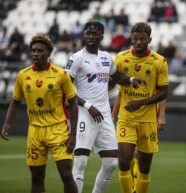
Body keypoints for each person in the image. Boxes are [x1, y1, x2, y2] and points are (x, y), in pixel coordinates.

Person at [65, 22, 147, 193]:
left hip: (103, 116)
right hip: (84, 114)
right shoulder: (76, 58)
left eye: (95, 34)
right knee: (80, 162)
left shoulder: (107, 58)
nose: (91, 37)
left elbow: (118, 78)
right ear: (84, 36)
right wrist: (88, 106)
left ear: (102, 37)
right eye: (88, 33)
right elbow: (65, 91)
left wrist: (132, 80)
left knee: (110, 164)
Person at [1, 34, 78, 193]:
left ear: (49, 53)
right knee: (36, 177)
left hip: (58, 130)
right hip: (35, 132)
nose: (35, 54)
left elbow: (73, 103)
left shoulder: (61, 74)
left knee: (66, 175)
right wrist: (7, 122)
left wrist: (73, 134)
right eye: (33, 51)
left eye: (40, 51)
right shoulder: (23, 75)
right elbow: (15, 101)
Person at [113, 22, 169, 193]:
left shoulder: (159, 61)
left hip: (147, 120)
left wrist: (142, 103)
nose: (138, 42)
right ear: (131, 39)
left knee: (144, 168)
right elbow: (117, 89)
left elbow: (164, 92)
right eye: (135, 38)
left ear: (149, 40)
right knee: (124, 160)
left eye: (142, 39)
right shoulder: (121, 58)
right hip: (126, 119)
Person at [111, 92, 166, 192]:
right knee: (126, 156)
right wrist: (113, 114)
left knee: (139, 157)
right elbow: (120, 94)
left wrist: (161, 115)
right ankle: (131, 182)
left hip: (148, 120)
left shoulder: (155, 79)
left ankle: (136, 184)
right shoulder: (127, 79)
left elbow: (162, 93)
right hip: (128, 120)